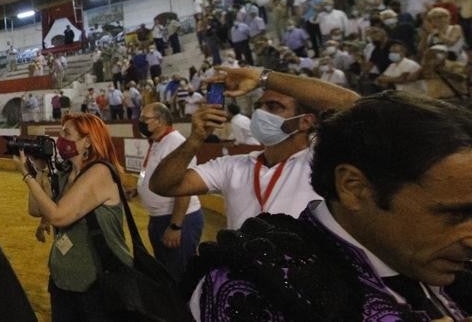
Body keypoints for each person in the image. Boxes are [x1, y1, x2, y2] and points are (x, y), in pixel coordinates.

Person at [189, 92, 472, 320]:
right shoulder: (257, 284)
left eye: (275, 106)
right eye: (455, 214)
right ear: (353, 187)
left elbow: (360, 111)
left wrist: (264, 75)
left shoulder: (441, 260)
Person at [150, 66, 358, 229]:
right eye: (258, 107)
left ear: (305, 121)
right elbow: (163, 185)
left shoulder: (320, 161)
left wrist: (262, 77)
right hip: (245, 280)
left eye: (274, 106)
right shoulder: (232, 166)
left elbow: (354, 105)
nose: (260, 114)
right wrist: (196, 138)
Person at [14, 113, 132, 321]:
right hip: (64, 282)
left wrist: (26, 175)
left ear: (87, 141)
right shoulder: (66, 173)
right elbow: (36, 209)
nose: (61, 139)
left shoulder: (100, 172)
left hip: (97, 285)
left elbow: (58, 216)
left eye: (67, 134)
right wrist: (39, 171)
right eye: (60, 133)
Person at [136, 103, 204, 284]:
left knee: (179, 276)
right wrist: (137, 188)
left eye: (145, 119)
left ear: (160, 121)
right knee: (166, 273)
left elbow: (184, 189)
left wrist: (175, 226)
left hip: (178, 219)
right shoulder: (157, 141)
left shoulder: (176, 143)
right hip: (159, 218)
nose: (140, 122)